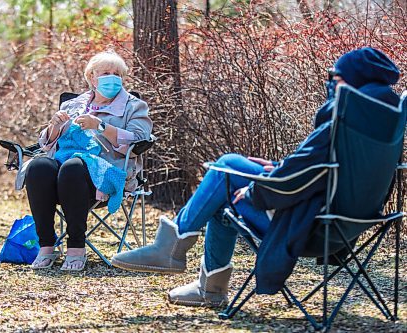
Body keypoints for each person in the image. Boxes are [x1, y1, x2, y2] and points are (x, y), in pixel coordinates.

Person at [111, 47, 401, 306]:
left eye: (336, 76)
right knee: (222, 193)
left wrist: (254, 192)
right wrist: (274, 169)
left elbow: (312, 169)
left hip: (307, 226)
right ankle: (205, 286)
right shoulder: (380, 124)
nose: (331, 82)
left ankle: (174, 252)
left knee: (225, 166)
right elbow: (324, 171)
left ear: (355, 82)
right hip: (343, 226)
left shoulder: (343, 119)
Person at [26, 51, 152, 271]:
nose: (112, 78)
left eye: (117, 74)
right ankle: (46, 245)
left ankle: (76, 246)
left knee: (73, 167)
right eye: (105, 73)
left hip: (107, 175)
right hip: (63, 174)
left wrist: (101, 126)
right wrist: (54, 127)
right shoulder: (73, 105)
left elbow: (140, 139)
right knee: (39, 167)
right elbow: (45, 145)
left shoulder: (134, 106)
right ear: (92, 77)